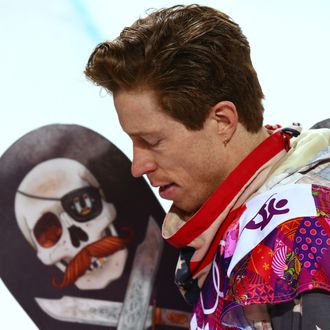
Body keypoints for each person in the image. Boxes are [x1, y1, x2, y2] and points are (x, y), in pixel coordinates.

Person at [84, 4, 330, 329]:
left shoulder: (293, 234)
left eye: (153, 141)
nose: (138, 166)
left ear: (222, 121)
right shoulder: (242, 231)